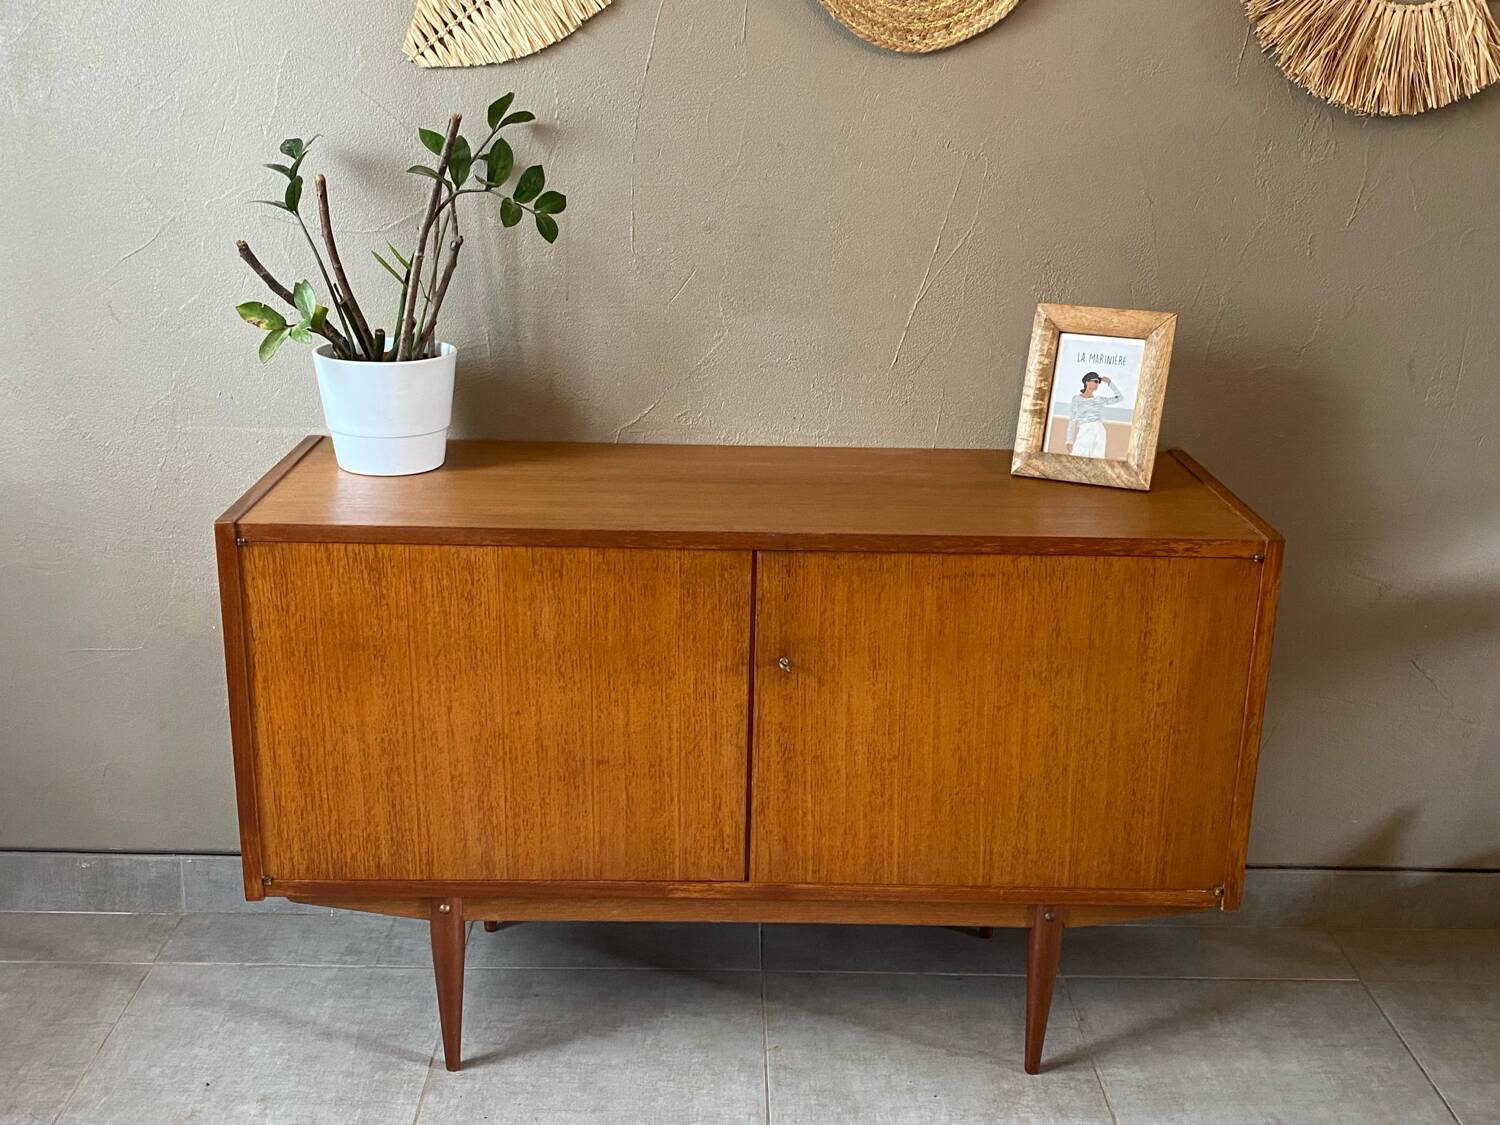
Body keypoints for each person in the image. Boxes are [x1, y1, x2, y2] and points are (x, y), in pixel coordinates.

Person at [1065, 372, 1122, 458]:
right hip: (1085, 429)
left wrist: (1110, 383)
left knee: (1096, 460)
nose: (1097, 384)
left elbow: (1119, 398)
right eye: (1095, 381)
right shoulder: (1077, 399)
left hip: (1099, 430)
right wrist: (1069, 440)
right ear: (1087, 382)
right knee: (1077, 458)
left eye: (1098, 382)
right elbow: (1072, 420)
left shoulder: (1099, 399)